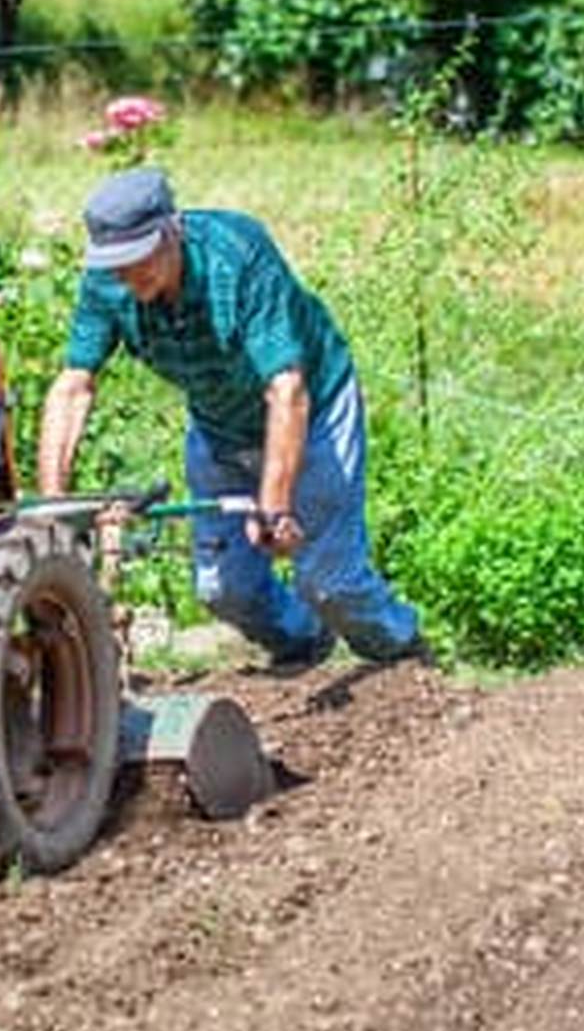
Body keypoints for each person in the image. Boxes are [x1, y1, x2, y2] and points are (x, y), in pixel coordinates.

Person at [36, 166, 423, 668]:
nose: (129, 278)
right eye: (116, 266)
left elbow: (286, 389)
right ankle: (305, 646)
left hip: (313, 412)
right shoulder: (108, 286)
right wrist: (53, 508)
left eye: (138, 259)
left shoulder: (236, 255)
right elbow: (73, 386)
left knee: (330, 582)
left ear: (172, 230)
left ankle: (403, 653)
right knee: (224, 590)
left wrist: (275, 508)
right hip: (219, 425)